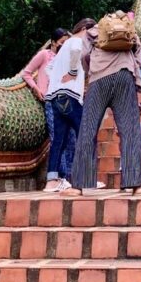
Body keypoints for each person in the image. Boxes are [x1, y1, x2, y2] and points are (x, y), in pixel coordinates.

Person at [69, 11, 141, 197]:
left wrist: (92, 72)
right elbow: (139, 60)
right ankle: (135, 184)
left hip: (99, 80)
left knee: (88, 129)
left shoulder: (92, 32)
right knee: (130, 130)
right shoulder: (130, 31)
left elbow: (83, 57)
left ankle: (79, 186)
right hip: (124, 76)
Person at [43, 21, 90, 193]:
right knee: (85, 134)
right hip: (70, 96)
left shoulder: (62, 49)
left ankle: (52, 180)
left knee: (59, 140)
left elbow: (49, 68)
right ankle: (86, 178)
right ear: (85, 29)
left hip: (55, 96)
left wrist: (58, 80)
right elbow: (77, 50)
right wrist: (72, 73)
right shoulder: (76, 41)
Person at [21, 28, 74, 179]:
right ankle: (61, 177)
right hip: (51, 100)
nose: (64, 46)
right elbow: (27, 73)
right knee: (58, 137)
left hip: (67, 100)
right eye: (62, 43)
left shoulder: (67, 58)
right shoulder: (45, 55)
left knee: (71, 139)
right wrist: (37, 89)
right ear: (53, 42)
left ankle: (70, 177)